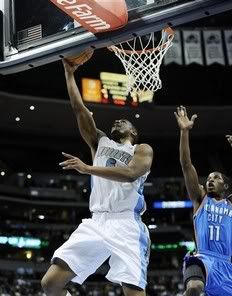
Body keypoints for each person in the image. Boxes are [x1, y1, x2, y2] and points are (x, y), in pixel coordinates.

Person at [41, 50, 153, 296]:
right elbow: (79, 109)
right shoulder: (99, 142)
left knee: (134, 293)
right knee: (50, 284)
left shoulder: (141, 149)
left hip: (127, 224)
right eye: (115, 122)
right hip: (97, 221)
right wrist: (69, 74)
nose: (117, 123)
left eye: (123, 122)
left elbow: (132, 173)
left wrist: (88, 168)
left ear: (133, 132)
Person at [174, 105, 232, 296]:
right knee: (194, 288)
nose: (210, 180)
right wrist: (184, 132)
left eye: (216, 178)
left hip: (226, 265)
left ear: (226, 187)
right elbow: (186, 165)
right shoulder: (200, 198)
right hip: (203, 258)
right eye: (208, 178)